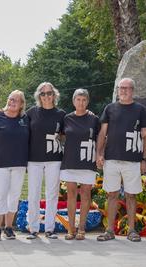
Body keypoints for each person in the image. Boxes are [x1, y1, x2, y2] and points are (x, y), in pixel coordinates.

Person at [96, 77, 146, 242]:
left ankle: (132, 230)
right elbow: (102, 133)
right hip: (111, 159)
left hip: (133, 160)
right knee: (112, 195)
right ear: (118, 90)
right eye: (121, 88)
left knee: (131, 195)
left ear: (132, 90)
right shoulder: (110, 108)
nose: (124, 91)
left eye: (127, 88)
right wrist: (99, 153)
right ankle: (110, 230)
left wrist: (145, 159)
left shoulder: (141, 110)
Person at [0, 90, 29, 241]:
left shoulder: (25, 119)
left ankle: (9, 227)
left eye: (16, 100)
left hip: (19, 165)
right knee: (0, 195)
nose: (12, 102)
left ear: (22, 104)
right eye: (10, 99)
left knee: (14, 196)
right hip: (0, 164)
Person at [25, 82, 66, 240]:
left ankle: (50, 229)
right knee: (33, 194)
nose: (47, 96)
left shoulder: (61, 114)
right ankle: (33, 229)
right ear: (39, 96)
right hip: (34, 159)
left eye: (49, 93)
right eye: (43, 94)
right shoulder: (31, 113)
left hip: (54, 159)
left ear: (54, 95)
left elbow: (64, 134)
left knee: (52, 194)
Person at [60, 89, 100, 240]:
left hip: (87, 161)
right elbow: (61, 137)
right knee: (70, 194)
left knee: (85, 194)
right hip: (70, 160)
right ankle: (70, 228)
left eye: (84, 100)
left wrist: (99, 155)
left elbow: (100, 138)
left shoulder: (94, 119)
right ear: (73, 101)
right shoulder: (67, 118)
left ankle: (81, 228)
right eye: (78, 99)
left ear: (87, 102)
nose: (81, 102)